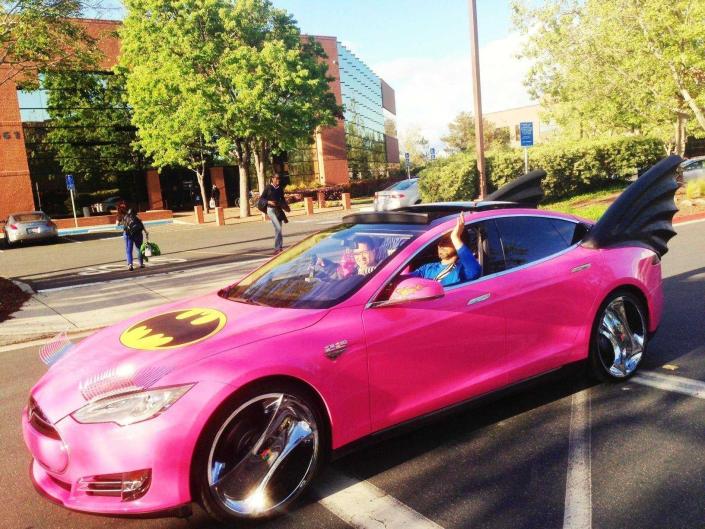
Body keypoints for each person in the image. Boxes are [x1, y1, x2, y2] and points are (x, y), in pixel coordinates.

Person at [410, 213, 481, 286]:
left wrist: (455, 237)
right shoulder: (427, 268)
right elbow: (405, 279)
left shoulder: (461, 269)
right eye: (440, 240)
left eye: (447, 240)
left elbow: (474, 273)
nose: (440, 244)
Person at [261, 173, 290, 254]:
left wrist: (286, 207)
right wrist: (268, 201)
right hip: (270, 210)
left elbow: (282, 199)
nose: (278, 180)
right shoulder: (268, 187)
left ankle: (280, 248)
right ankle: (277, 248)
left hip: (278, 210)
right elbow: (261, 198)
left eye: (279, 178)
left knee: (279, 229)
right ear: (272, 179)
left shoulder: (280, 188)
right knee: (278, 228)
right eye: (276, 178)